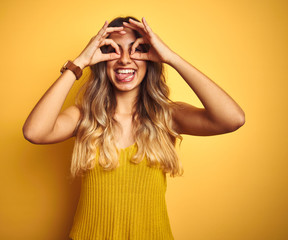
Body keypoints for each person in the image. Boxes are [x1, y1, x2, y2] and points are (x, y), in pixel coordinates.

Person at [23, 16, 245, 240]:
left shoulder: (166, 116)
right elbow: (34, 132)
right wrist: (80, 62)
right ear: (101, 60)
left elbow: (232, 119)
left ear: (150, 57)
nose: (125, 60)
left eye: (135, 50)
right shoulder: (85, 117)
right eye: (114, 50)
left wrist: (171, 58)